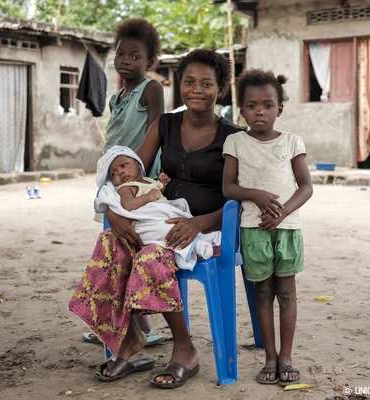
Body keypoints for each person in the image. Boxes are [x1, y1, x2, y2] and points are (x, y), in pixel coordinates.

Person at [68, 48, 241, 387]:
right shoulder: (166, 124)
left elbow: (240, 199)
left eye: (206, 83)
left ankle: (185, 348)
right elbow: (130, 171)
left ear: (220, 89)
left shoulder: (233, 136)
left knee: (149, 259)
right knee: (109, 243)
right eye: (189, 81)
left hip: (206, 228)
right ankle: (130, 337)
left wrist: (198, 223)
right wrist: (116, 215)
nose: (195, 89)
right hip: (154, 222)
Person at [222, 69, 313, 386]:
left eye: (267, 105)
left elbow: (305, 187)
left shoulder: (291, 142)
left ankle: (287, 357)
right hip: (253, 230)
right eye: (251, 105)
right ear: (242, 110)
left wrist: (282, 212)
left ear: (280, 109)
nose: (259, 111)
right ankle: (270, 358)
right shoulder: (235, 142)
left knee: (286, 294)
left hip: (287, 230)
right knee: (263, 294)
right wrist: (255, 195)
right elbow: (228, 188)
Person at [83, 18, 166, 349]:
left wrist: (142, 170)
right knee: (115, 247)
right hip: (113, 178)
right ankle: (128, 324)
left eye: (135, 56)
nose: (126, 61)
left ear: (149, 62)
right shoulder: (116, 98)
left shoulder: (152, 88)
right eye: (121, 55)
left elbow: (158, 128)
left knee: (134, 244)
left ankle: (137, 327)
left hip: (139, 180)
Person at [95, 145, 221, 269]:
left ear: (138, 164)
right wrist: (148, 197)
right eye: (114, 173)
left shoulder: (149, 181)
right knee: (166, 229)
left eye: (124, 165)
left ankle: (203, 238)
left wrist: (163, 184)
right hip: (149, 221)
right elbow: (128, 205)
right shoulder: (126, 187)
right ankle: (195, 246)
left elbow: (159, 196)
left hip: (163, 213)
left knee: (182, 221)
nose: (120, 172)